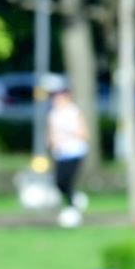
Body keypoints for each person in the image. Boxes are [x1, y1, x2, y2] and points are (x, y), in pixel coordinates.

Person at [46, 76, 90, 228]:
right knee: (59, 181)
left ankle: (72, 207)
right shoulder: (53, 114)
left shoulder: (73, 112)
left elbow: (84, 133)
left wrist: (70, 133)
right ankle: (74, 200)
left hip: (75, 151)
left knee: (69, 181)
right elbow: (51, 134)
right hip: (61, 152)